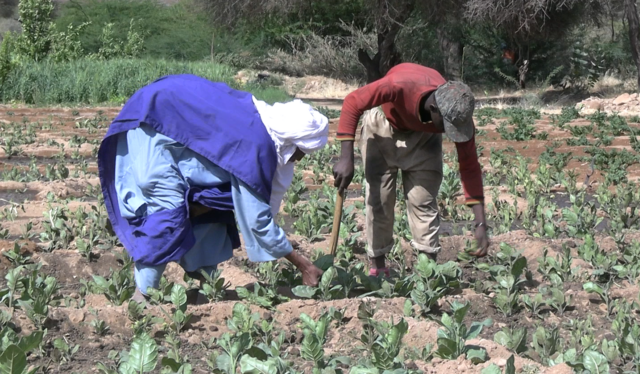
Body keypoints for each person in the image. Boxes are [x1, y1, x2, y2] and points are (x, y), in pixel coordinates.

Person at [97, 74, 328, 302]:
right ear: (292, 142)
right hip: (155, 126)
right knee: (168, 217)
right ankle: (143, 296)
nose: (298, 159)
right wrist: (303, 265)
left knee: (214, 208)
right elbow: (258, 221)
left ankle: (208, 285)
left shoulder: (259, 119)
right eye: (302, 152)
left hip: (160, 109)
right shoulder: (257, 147)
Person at [332, 63, 489, 277]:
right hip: (383, 126)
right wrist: (346, 158)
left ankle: (427, 273)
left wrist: (480, 222)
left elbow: (469, 166)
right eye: (446, 127)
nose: (448, 133)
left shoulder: (456, 109)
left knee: (423, 201)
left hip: (424, 139)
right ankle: (378, 268)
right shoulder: (398, 86)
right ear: (434, 108)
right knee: (380, 200)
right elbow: (353, 102)